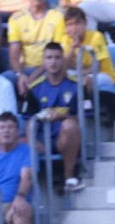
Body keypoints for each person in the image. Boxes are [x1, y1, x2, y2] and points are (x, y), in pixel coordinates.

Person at [24, 42, 83, 191]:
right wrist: (32, 141)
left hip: (65, 138)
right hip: (43, 139)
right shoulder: (35, 88)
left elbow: (84, 118)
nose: (53, 62)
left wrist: (62, 116)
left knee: (70, 125)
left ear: (63, 60)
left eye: (57, 57)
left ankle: (69, 177)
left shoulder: (77, 86)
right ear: (43, 62)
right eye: (49, 58)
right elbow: (29, 120)